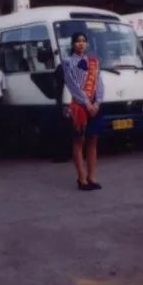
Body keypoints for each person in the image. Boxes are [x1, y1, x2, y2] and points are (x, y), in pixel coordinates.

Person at [62, 32, 105, 191]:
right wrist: (87, 104)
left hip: (94, 105)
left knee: (93, 141)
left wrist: (98, 102)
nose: (81, 44)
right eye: (78, 41)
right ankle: (81, 178)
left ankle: (92, 177)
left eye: (83, 41)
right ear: (72, 44)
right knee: (79, 141)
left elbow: (99, 83)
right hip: (79, 106)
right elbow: (72, 85)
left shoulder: (93, 61)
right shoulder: (67, 62)